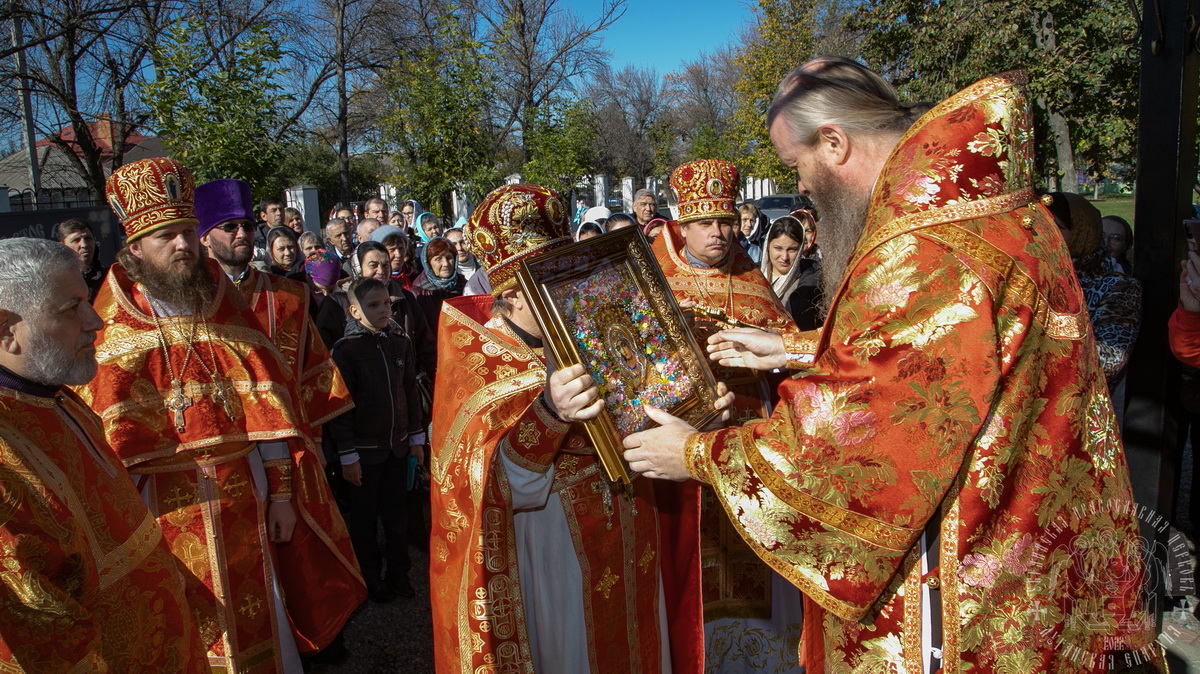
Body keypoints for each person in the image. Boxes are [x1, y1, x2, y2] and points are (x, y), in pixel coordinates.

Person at [622, 59, 1161, 672]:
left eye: (797, 166)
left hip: (962, 581)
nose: (802, 189)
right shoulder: (989, 209)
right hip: (1023, 545)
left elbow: (870, 443)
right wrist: (799, 347)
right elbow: (948, 354)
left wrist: (698, 456)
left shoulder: (923, 242)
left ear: (834, 142)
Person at [83, 158, 366, 671]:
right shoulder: (110, 328)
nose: (184, 245)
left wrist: (282, 496)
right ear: (135, 249)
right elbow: (104, 452)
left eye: (188, 232)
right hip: (161, 510)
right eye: (167, 235)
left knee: (263, 623)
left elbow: (272, 413)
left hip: (245, 492)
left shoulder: (225, 306)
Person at [430, 184, 712, 673]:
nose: (569, 293)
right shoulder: (478, 361)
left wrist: (701, 412)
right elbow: (487, 483)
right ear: (514, 295)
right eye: (550, 284)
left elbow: (650, 405)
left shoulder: (590, 325)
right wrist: (550, 413)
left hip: (631, 519)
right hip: (551, 539)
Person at [0, 238, 208, 672]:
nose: (96, 320)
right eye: (70, 308)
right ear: (6, 330)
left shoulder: (56, 395)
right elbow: (37, 635)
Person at [651, 159, 804, 670]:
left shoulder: (750, 276)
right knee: (691, 571)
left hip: (752, 448)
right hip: (682, 452)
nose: (718, 233)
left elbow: (787, 368)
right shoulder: (656, 276)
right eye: (704, 223)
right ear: (681, 222)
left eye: (726, 221)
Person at [330, 277, 425, 603]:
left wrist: (416, 437)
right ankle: (370, 578)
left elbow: (410, 391)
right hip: (365, 454)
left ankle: (399, 574)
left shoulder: (399, 341)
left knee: (397, 516)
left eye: (387, 303)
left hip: (397, 447)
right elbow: (341, 408)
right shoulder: (347, 351)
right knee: (365, 521)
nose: (384, 310)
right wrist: (347, 456)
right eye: (373, 305)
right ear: (355, 311)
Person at [761, 211, 823, 330]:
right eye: (778, 248)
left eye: (792, 250)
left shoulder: (811, 284)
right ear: (767, 246)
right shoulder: (753, 276)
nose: (784, 257)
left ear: (800, 250)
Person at [410, 236, 466, 330]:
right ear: (428, 263)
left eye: (449, 258)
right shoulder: (417, 294)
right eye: (438, 259)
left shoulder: (465, 286)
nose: (446, 264)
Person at [54, 217, 108, 301]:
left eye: (88, 238)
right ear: (62, 246)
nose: (84, 245)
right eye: (76, 240)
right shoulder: (57, 284)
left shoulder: (109, 278)